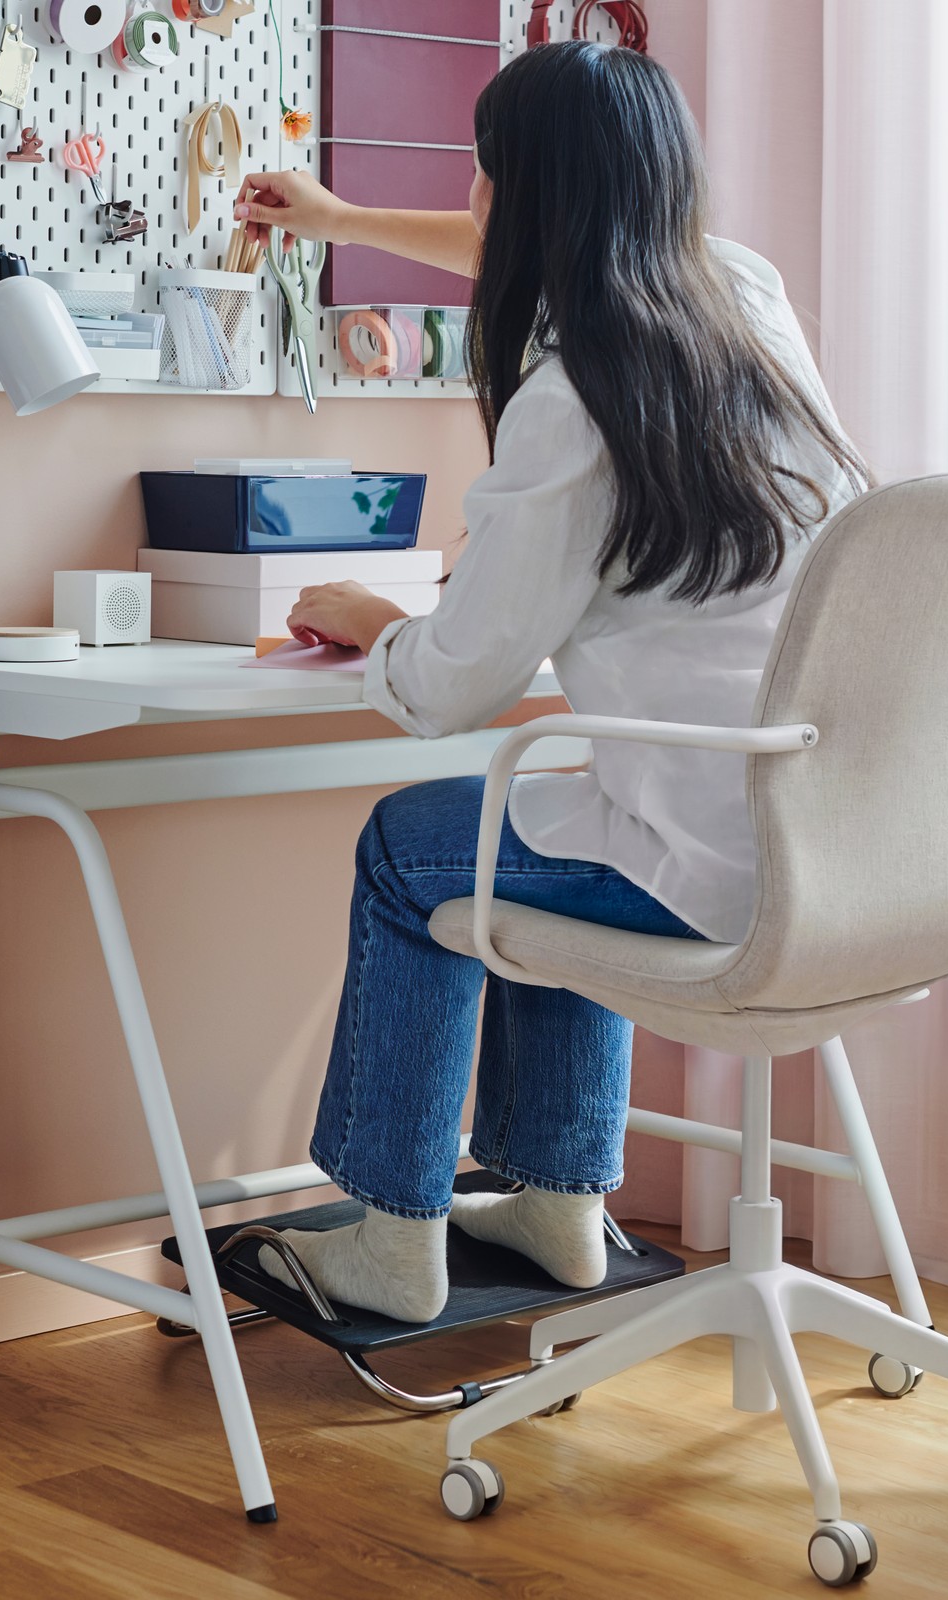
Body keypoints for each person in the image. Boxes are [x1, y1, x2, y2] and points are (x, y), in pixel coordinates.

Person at [233, 40, 866, 1323]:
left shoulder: (572, 401)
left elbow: (455, 688)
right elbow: (544, 247)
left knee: (416, 844)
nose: (471, 203)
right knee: (556, 805)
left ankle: (393, 1232)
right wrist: (345, 219)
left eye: (482, 179)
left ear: (520, 197)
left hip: (708, 850)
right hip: (838, 832)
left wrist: (381, 624)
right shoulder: (745, 295)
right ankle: (559, 1199)